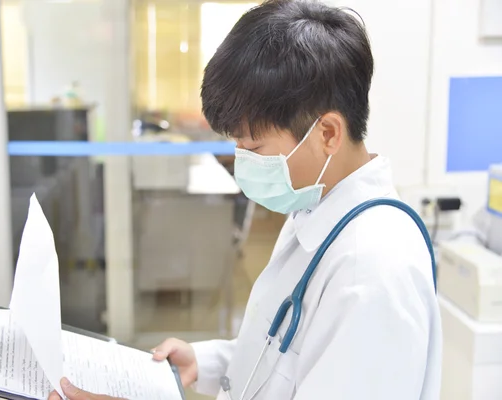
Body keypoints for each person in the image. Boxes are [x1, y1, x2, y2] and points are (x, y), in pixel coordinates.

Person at [49, 0, 442, 399]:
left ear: (327, 133)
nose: (241, 160)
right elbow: (285, 347)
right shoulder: (317, 206)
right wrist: (208, 363)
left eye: (252, 144)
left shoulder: (372, 270)